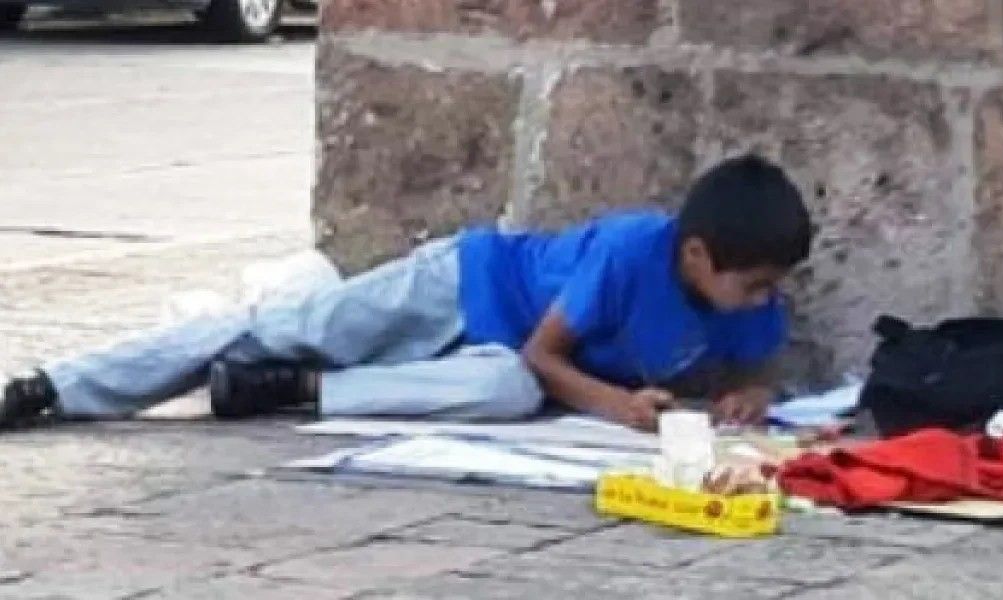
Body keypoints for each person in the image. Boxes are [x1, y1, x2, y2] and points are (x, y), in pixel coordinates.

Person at [0, 153, 812, 432]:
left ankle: (297, 392)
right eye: (752, 284)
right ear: (698, 253)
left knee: (505, 392)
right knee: (271, 327)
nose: (759, 301)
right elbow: (548, 352)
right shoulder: (633, 247)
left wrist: (749, 394)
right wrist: (618, 408)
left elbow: (749, 369)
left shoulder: (749, 305)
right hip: (458, 288)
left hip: (493, 361)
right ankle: (55, 389)